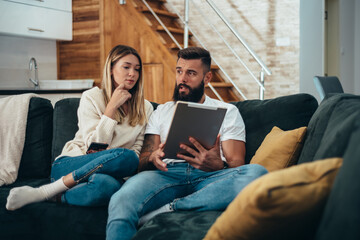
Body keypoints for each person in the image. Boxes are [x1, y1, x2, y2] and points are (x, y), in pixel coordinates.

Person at [106, 47, 268, 240]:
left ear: (207, 78)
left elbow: (237, 164)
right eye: (179, 71)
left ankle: (171, 208)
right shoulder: (161, 112)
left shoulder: (227, 111)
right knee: (121, 199)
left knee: (258, 174)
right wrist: (153, 158)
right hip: (166, 175)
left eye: (191, 73)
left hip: (211, 178)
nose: (182, 79)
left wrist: (218, 165)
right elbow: (142, 162)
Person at [6, 45, 153, 210]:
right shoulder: (91, 97)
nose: (132, 73)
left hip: (108, 172)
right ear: (111, 69)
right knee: (127, 157)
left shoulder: (145, 107)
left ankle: (56, 196)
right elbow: (94, 150)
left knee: (108, 186)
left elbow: (137, 152)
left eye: (137, 69)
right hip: (71, 164)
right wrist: (111, 108)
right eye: (126, 67)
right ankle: (47, 190)